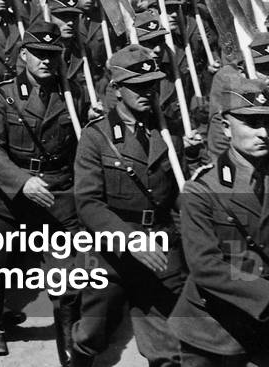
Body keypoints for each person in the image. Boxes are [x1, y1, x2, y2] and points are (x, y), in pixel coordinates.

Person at [170, 78, 269, 366]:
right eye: (251, 123)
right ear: (226, 127)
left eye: (266, 122)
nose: (263, 132)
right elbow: (205, 266)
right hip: (213, 329)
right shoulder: (202, 189)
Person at [71, 46, 189, 367]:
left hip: (161, 245)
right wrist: (130, 240)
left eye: (151, 84)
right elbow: (88, 204)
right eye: (137, 86)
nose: (146, 92)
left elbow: (178, 195)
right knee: (94, 333)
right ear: (117, 89)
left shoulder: (169, 133)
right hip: (111, 250)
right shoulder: (97, 137)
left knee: (165, 344)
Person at [0, 18, 87, 362]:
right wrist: (22, 181)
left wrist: (97, 119)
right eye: (38, 53)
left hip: (59, 196)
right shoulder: (3, 96)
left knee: (67, 275)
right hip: (12, 198)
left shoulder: (74, 95)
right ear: (23, 54)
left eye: (52, 55)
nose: (45, 61)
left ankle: (69, 344)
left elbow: (88, 142)